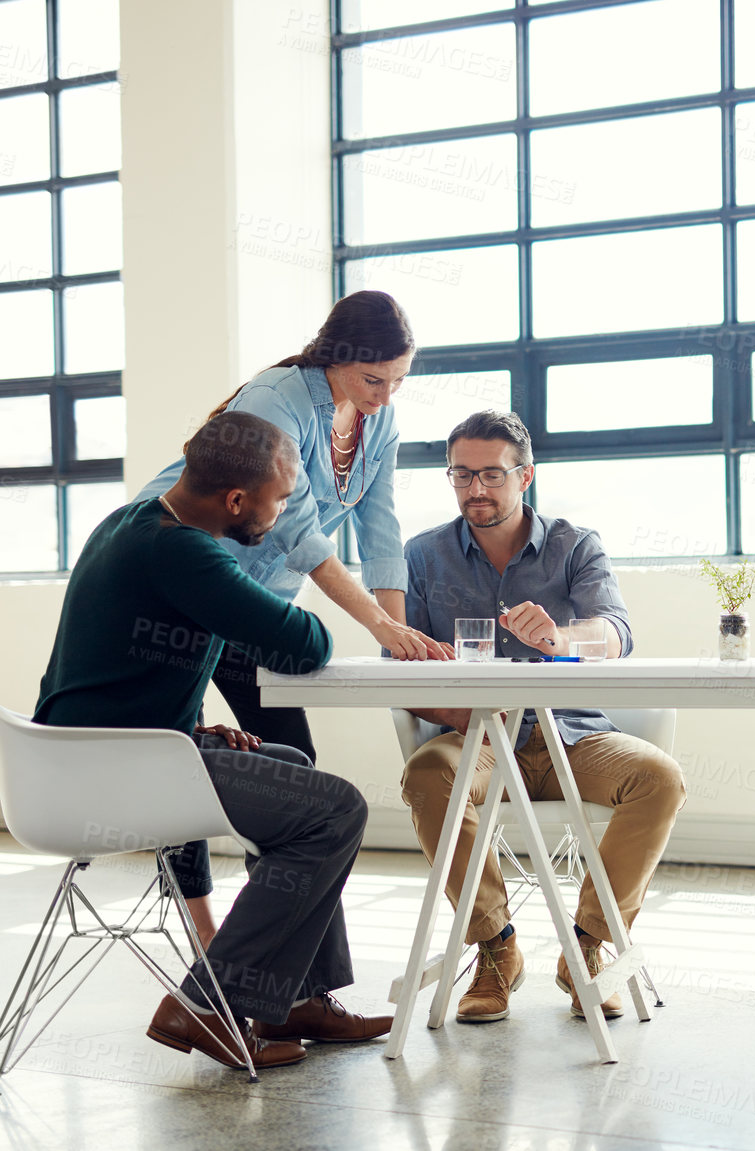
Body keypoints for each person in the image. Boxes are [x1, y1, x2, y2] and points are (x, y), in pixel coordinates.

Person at [34, 411, 391, 1071]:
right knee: (337, 808)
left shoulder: (128, 522)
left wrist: (193, 729)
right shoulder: (183, 550)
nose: (283, 512)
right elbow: (307, 642)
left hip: (103, 756)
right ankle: (205, 1003)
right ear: (235, 500)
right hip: (117, 772)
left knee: (289, 764)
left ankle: (296, 998)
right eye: (280, 498)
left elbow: (112, 677)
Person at [134, 290, 451, 944]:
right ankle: (211, 952)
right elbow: (301, 536)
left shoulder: (377, 420)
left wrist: (399, 647)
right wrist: (380, 626)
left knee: (294, 774)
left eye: (399, 382)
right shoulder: (275, 400)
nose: (386, 396)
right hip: (180, 588)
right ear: (335, 357)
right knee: (180, 762)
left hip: (254, 607)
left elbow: (381, 525)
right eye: (374, 379)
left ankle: (288, 967)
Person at [397, 410, 686, 1023]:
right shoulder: (422, 556)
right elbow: (403, 666)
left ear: (525, 475)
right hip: (474, 736)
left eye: (492, 475)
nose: (476, 488)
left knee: (658, 778)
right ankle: (496, 947)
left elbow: (617, 634)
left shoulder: (574, 545)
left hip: (572, 734)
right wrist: (462, 711)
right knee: (427, 775)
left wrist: (561, 638)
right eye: (461, 475)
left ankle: (588, 945)